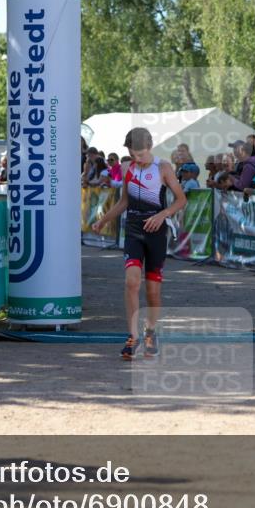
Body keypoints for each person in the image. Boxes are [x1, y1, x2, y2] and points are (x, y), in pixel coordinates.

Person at [91, 128, 187, 360]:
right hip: (133, 229)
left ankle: (151, 332)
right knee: (131, 282)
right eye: (133, 155)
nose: (138, 159)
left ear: (150, 147)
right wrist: (103, 220)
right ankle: (132, 336)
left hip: (156, 231)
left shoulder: (163, 168)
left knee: (153, 291)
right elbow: (124, 200)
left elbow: (181, 199)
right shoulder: (128, 169)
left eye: (141, 155)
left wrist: (162, 214)